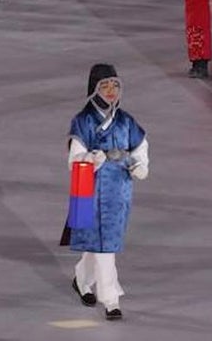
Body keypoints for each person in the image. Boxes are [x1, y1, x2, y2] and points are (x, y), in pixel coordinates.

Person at [64, 64, 149, 322]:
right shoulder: (83, 121)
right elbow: (74, 159)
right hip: (91, 191)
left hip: (119, 190)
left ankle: (82, 279)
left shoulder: (126, 121)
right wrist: (93, 158)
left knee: (100, 242)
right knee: (105, 246)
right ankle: (111, 299)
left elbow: (140, 146)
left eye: (115, 85)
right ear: (94, 89)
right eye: (105, 85)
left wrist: (139, 164)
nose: (111, 90)